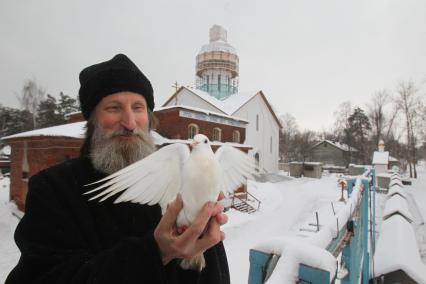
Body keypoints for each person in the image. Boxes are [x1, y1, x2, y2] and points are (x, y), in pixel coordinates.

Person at [6, 54, 230, 284]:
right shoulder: (54, 189)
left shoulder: (180, 176)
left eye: (138, 108)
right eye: (114, 108)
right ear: (92, 120)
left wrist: (203, 241)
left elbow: (215, 275)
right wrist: (156, 252)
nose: (130, 123)